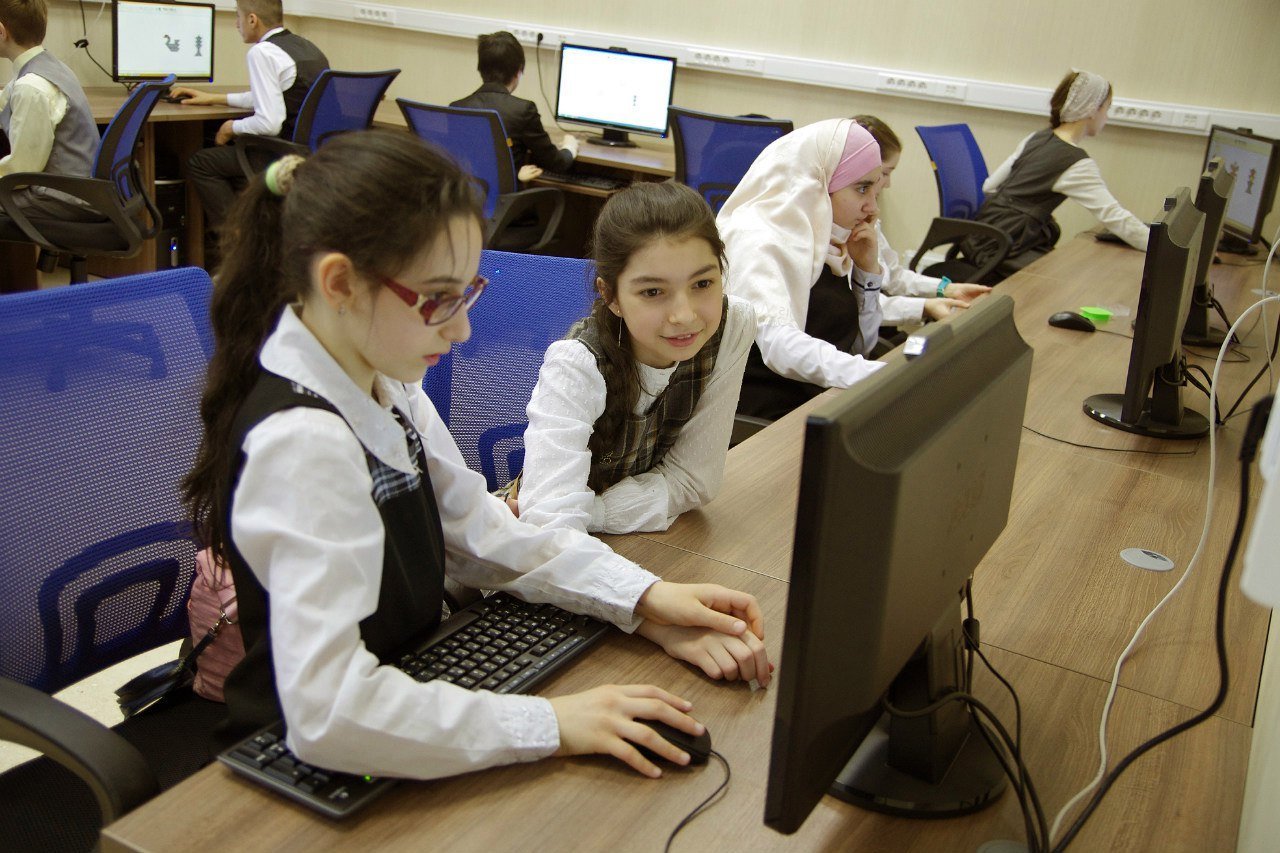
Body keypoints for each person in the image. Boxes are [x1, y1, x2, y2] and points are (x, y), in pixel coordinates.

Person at [181, 129, 770, 782]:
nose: (462, 330)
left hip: (404, 690)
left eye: (467, 293)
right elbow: (329, 712)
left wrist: (643, 600)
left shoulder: (384, 381)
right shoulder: (301, 443)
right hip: (311, 754)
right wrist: (553, 723)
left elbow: (481, 534)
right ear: (340, 283)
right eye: (438, 299)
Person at [514, 181, 755, 535]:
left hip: (628, 535)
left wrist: (594, 512)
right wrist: (579, 513)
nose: (684, 315)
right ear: (610, 296)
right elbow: (549, 524)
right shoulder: (576, 364)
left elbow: (694, 481)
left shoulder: (733, 325)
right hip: (537, 542)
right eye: (653, 291)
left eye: (703, 284)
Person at [716, 118, 885, 422]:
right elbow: (779, 346)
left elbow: (861, 347)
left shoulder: (827, 241)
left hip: (820, 402)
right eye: (862, 189)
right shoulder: (758, 240)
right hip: (765, 418)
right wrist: (877, 374)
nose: (873, 207)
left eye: (876, 192)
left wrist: (867, 273)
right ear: (818, 183)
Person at [963, 69, 1149, 278]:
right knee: (1065, 281)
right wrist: (1157, 247)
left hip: (980, 235)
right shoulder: (1075, 162)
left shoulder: (1038, 137)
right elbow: (1114, 216)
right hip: (1005, 247)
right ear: (1091, 110)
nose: (1106, 117)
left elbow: (989, 186)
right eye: (1107, 109)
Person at [171, 0, 328, 229]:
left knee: (202, 163)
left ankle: (236, 240)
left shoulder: (262, 52)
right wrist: (214, 98)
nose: (237, 24)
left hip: (280, 155)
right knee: (233, 165)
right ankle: (257, 230)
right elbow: (273, 97)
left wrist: (230, 127)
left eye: (238, 17)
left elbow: (269, 123)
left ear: (252, 20)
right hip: (312, 152)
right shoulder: (306, 47)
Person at [850, 115, 991, 327]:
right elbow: (857, 306)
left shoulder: (866, 218)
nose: (887, 184)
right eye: (884, 173)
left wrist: (946, 289)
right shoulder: (838, 227)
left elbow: (893, 276)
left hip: (871, 321)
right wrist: (925, 306)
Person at [0, 0, 101, 290]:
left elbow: (21, 173)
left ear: (1, 32)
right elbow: (7, 99)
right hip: (84, 188)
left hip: (63, 196)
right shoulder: (47, 67)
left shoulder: (32, 86)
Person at [451, 31, 577, 180]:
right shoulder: (523, 111)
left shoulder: (456, 108)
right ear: (518, 71)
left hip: (468, 192)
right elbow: (556, 163)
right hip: (507, 193)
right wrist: (570, 146)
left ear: (480, 69)